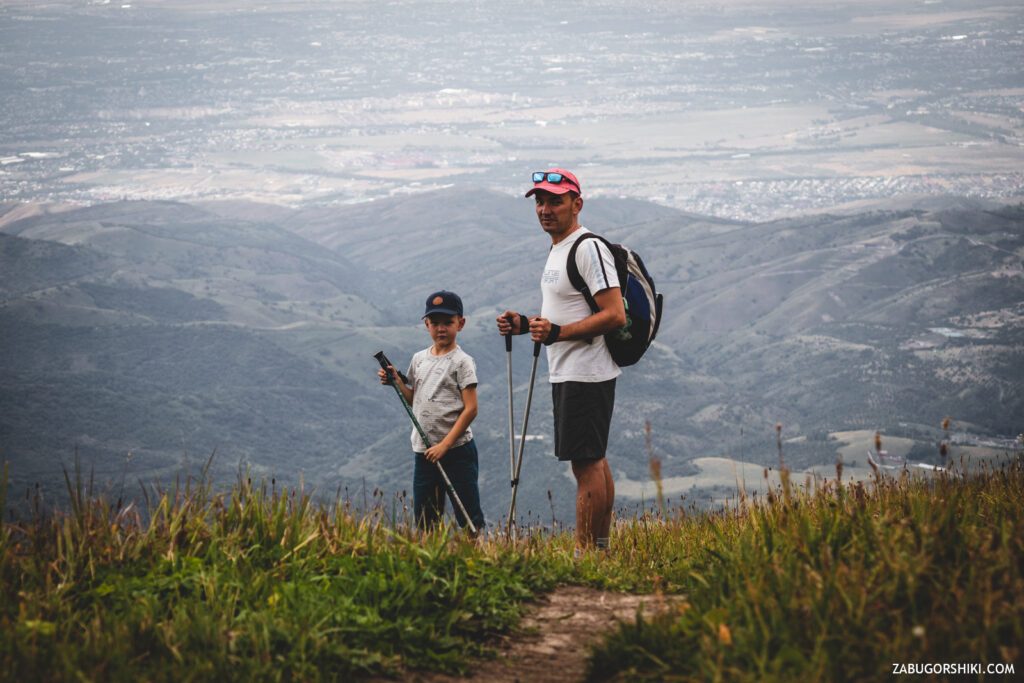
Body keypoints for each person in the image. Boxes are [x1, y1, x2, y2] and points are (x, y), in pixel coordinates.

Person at [496, 168, 626, 552]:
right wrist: (525, 325)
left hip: (586, 370)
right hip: (572, 368)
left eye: (555, 200)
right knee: (594, 461)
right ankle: (599, 550)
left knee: (585, 466)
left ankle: (586, 554)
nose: (544, 209)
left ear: (577, 203)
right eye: (539, 201)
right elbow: (563, 312)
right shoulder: (560, 248)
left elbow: (614, 314)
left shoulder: (587, 247)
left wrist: (557, 334)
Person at [378, 290, 485, 532]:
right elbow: (414, 399)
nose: (441, 329)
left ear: (461, 323)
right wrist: (396, 381)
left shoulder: (462, 362)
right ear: (426, 324)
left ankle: (475, 557)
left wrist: (444, 446)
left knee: (468, 515)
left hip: (457, 451)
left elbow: (471, 409)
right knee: (426, 517)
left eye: (448, 322)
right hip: (424, 451)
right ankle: (431, 558)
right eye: (435, 323)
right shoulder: (418, 359)